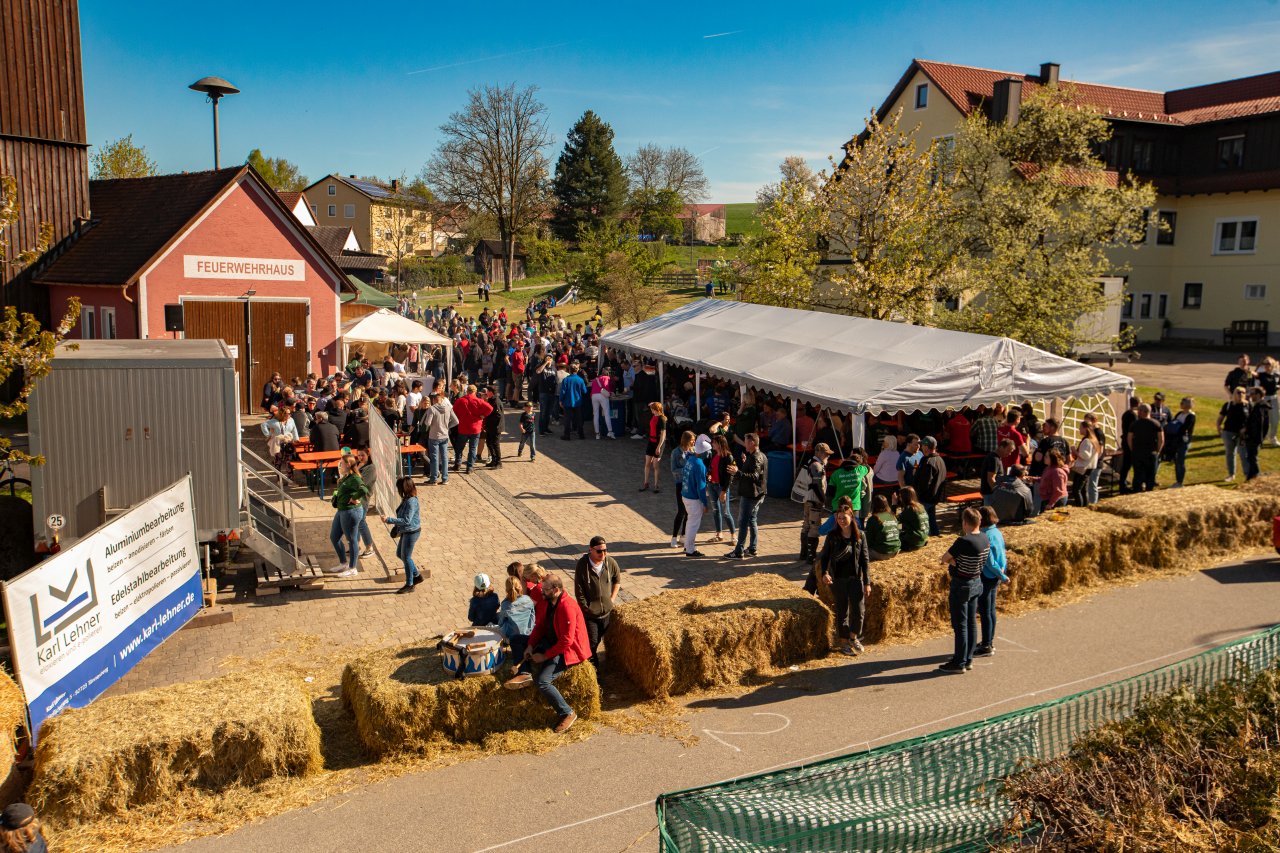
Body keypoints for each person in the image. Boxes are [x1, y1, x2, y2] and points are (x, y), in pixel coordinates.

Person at [507, 574, 592, 735]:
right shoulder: (547, 602)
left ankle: (567, 712)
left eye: (545, 590)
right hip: (550, 640)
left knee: (542, 681)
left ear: (556, 590)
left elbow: (566, 641)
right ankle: (524, 673)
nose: (542, 592)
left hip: (567, 650)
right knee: (517, 639)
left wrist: (545, 656)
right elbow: (539, 626)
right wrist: (531, 645)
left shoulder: (568, 607)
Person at [938, 507, 989, 674]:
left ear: (965, 523)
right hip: (976, 581)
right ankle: (968, 659)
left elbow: (944, 558)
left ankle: (959, 662)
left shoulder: (964, 542)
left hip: (962, 584)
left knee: (960, 625)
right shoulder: (984, 538)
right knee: (972, 623)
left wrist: (953, 561)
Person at [819, 504, 871, 656]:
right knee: (842, 612)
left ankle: (853, 637)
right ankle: (843, 642)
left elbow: (865, 560)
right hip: (838, 580)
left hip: (855, 579)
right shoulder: (832, 536)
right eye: (839, 518)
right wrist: (825, 573)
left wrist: (867, 582)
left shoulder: (860, 536)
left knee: (859, 611)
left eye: (844, 517)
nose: (841, 521)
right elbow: (825, 557)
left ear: (851, 517)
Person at [573, 535, 622, 670]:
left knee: (602, 640)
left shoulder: (610, 562)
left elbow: (617, 580)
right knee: (592, 643)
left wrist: (611, 599)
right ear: (591, 550)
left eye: (605, 550)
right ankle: (595, 673)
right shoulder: (582, 565)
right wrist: (586, 607)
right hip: (590, 615)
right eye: (599, 551)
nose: (603, 554)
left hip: (606, 612)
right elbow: (579, 589)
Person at [974, 506, 1009, 658]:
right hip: (996, 575)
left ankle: (987, 644)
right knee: (990, 610)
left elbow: (989, 561)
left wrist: (1001, 575)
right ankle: (988, 640)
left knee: (985, 610)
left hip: (988, 576)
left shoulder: (985, 536)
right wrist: (1002, 572)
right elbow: (1002, 554)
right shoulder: (996, 532)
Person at [726, 433, 767, 559]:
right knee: (752, 520)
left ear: (752, 443)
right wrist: (745, 463)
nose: (744, 444)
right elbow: (755, 472)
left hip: (751, 494)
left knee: (743, 522)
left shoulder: (755, 457)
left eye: (746, 442)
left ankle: (739, 551)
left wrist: (737, 472)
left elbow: (754, 476)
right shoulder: (758, 456)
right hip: (758, 493)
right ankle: (753, 548)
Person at [326, 455, 368, 576]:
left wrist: (354, 498)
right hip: (341, 511)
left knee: (352, 540)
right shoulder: (345, 477)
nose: (340, 465)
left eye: (341, 463)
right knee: (334, 537)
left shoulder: (354, 478)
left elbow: (364, 489)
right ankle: (343, 563)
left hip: (351, 512)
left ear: (348, 464)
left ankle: (352, 568)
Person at [384, 477, 422, 593]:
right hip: (406, 531)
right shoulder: (407, 498)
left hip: (412, 532)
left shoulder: (411, 502)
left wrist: (389, 520)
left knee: (406, 557)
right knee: (400, 554)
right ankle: (416, 575)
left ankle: (410, 584)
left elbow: (406, 520)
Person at [801, 442, 832, 562]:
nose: (828, 456)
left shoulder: (810, 462)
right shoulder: (817, 466)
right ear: (818, 452)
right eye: (826, 454)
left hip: (807, 499)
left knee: (806, 526)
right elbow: (816, 485)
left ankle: (804, 553)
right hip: (814, 500)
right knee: (814, 527)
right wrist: (823, 500)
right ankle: (811, 556)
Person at [452, 384, 493, 474]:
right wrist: (483, 415)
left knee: (459, 447)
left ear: (467, 391)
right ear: (475, 392)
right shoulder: (479, 401)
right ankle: (469, 467)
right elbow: (490, 408)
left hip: (463, 427)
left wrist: (460, 417)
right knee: (473, 448)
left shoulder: (460, 400)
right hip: (475, 428)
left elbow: (453, 412)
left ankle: (457, 464)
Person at [682, 435, 711, 557]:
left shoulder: (691, 459)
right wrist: (705, 503)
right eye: (708, 451)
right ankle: (690, 549)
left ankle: (687, 546)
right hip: (694, 499)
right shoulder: (700, 465)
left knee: (690, 522)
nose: (709, 453)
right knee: (693, 524)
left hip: (686, 495)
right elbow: (701, 488)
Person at [913, 436, 948, 537]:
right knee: (932, 518)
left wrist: (916, 496)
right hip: (934, 497)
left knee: (923, 521)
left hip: (926, 497)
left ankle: (926, 538)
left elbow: (924, 483)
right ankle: (936, 534)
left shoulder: (928, 461)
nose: (920, 447)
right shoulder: (940, 460)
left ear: (927, 447)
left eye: (922, 445)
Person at [498, 576, 535, 669]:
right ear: (520, 587)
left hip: (513, 636)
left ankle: (505, 642)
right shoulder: (528, 599)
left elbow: (501, 622)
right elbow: (533, 618)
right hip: (527, 633)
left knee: (502, 624)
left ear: (507, 590)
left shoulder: (505, 604)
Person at [1126, 403, 1164, 492]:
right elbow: (1161, 439)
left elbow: (1129, 438)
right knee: (1151, 474)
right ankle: (1148, 491)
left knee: (1138, 474)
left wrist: (1133, 450)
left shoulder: (1134, 424)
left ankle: (1137, 491)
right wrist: (1158, 451)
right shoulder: (1156, 423)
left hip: (1138, 453)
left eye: (1139, 411)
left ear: (1141, 412)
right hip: (1151, 452)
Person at [421, 392, 458, 485]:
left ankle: (433, 479)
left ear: (433, 401)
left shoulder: (432, 409)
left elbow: (428, 423)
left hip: (434, 436)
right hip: (445, 436)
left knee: (434, 458)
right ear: (442, 401)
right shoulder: (448, 408)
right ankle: (445, 478)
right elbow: (456, 421)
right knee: (444, 457)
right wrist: (447, 426)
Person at [1217, 386, 1250, 482]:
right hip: (1228, 432)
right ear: (1234, 393)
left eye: (1243, 392)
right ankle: (1231, 474)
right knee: (1230, 454)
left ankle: (1247, 475)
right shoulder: (1228, 405)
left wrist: (1246, 429)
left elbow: (1252, 420)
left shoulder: (1248, 406)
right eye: (1238, 392)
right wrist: (1219, 427)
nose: (1241, 394)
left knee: (1244, 454)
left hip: (1242, 434)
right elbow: (1221, 417)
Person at [708, 434, 737, 544]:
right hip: (712, 485)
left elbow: (730, 476)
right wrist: (708, 476)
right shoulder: (714, 454)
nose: (712, 444)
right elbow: (711, 468)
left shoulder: (728, 457)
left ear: (720, 444)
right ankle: (719, 534)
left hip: (721, 487)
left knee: (726, 512)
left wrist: (724, 491)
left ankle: (734, 535)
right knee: (716, 511)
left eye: (714, 442)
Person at [1162, 397, 1196, 488]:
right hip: (1175, 439)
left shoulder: (1191, 416)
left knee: (1180, 460)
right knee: (1177, 460)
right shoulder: (1179, 414)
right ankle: (1177, 480)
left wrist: (1175, 429)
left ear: (1188, 405)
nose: (1181, 404)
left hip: (1183, 440)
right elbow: (1173, 423)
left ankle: (1180, 481)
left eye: (1183, 402)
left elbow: (1185, 428)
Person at [669, 431, 694, 548]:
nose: (693, 442)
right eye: (692, 440)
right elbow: (674, 470)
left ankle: (683, 536)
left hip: (690, 484)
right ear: (686, 440)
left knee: (688, 511)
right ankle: (674, 537)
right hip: (680, 484)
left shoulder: (692, 452)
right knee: (681, 511)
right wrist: (686, 470)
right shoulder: (676, 452)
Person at [1070, 419, 1099, 505]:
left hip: (1083, 467)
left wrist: (1074, 451)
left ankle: (1080, 506)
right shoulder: (1093, 440)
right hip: (1089, 467)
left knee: (1076, 489)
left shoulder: (1087, 441)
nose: (1079, 430)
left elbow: (1085, 456)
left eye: (1080, 428)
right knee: (1083, 489)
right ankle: (1085, 506)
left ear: (1085, 429)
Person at [864, 494, 901, 561]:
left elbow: (868, 540)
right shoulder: (893, 516)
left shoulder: (873, 519)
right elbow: (899, 530)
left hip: (881, 553)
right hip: (896, 550)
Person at [1244, 386, 1270, 480]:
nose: (1250, 396)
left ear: (1258, 395)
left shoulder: (1260, 408)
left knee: (1252, 457)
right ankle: (1251, 477)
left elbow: (1259, 424)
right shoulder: (1260, 406)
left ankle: (1257, 475)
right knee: (1250, 457)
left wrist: (1252, 436)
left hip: (1254, 437)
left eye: (1252, 394)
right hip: (1255, 437)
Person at [641, 402, 667, 492]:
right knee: (647, 463)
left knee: (655, 465)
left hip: (658, 443)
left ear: (656, 409)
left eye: (652, 409)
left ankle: (656, 485)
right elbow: (651, 405)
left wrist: (659, 447)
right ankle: (646, 483)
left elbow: (663, 435)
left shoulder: (662, 419)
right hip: (651, 442)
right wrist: (652, 404)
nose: (651, 410)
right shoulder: (654, 415)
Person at [1254, 356, 1280, 446]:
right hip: (1263, 399)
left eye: (1268, 363)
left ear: (1272, 364)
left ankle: (1272, 437)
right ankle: (1260, 437)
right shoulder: (1261, 374)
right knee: (1261, 419)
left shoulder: (1277, 374)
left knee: (1275, 420)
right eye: (1264, 363)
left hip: (1274, 399)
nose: (1266, 365)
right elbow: (1254, 375)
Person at [559, 363, 589, 440]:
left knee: (567, 420)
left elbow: (562, 392)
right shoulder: (580, 380)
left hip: (568, 402)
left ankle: (567, 435)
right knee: (579, 419)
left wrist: (560, 400)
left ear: (569, 370)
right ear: (577, 370)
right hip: (577, 403)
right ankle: (581, 435)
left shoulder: (566, 380)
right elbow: (585, 391)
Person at [980, 439, 1015, 505]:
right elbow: (991, 478)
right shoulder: (994, 459)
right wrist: (998, 493)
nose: (1009, 454)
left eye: (1011, 452)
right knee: (990, 513)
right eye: (1008, 451)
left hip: (989, 492)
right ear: (1001, 447)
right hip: (990, 493)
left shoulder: (996, 457)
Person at [896, 486, 930, 552]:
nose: (899, 498)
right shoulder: (920, 506)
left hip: (914, 540)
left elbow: (894, 520)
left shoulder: (910, 509)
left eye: (900, 496)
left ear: (904, 497)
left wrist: (894, 504)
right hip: (923, 537)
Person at [482, 385, 504, 468]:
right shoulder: (491, 400)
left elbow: (498, 416)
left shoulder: (495, 401)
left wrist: (487, 417)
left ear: (491, 392)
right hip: (490, 427)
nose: (486, 393)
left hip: (495, 427)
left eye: (487, 391)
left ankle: (499, 462)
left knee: (495, 444)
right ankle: (494, 460)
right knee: (489, 443)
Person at [589, 370, 615, 440]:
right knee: (607, 414)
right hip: (602, 395)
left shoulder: (595, 380)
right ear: (607, 374)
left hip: (594, 396)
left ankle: (597, 434)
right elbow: (606, 386)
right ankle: (610, 432)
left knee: (596, 415)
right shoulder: (606, 377)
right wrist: (609, 393)